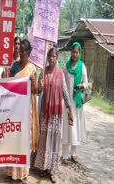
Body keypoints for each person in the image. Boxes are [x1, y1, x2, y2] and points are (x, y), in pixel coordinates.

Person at [34, 48, 74, 183]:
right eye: (50, 56)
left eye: (54, 56)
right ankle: (44, 166)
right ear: (47, 57)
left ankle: (52, 170)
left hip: (56, 113)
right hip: (45, 112)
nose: (51, 59)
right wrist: (40, 85)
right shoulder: (43, 72)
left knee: (54, 140)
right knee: (45, 139)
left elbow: (64, 91)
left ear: (57, 58)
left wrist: (70, 110)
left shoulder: (60, 73)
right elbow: (38, 91)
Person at [5, 40, 39, 183]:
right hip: (15, 108)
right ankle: (11, 172)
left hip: (27, 110)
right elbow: (9, 85)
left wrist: (34, 82)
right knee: (14, 138)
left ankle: (23, 173)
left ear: (29, 53)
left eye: (24, 50)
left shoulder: (32, 69)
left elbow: (37, 90)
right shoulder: (14, 66)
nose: (21, 52)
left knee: (25, 140)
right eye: (20, 50)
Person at [62, 42, 88, 163]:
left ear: (79, 53)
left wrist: (82, 85)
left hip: (77, 101)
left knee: (75, 125)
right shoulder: (66, 67)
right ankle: (65, 153)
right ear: (71, 52)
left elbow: (87, 83)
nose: (75, 54)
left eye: (77, 52)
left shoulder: (82, 66)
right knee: (67, 125)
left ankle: (74, 153)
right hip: (67, 102)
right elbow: (62, 84)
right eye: (73, 52)